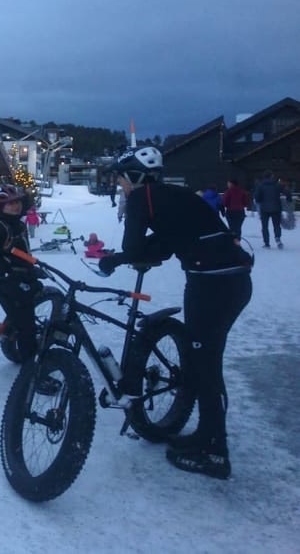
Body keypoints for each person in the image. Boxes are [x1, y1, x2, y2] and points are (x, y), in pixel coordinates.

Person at [97, 146, 252, 480]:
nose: (120, 185)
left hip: (211, 285)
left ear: (134, 177)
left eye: (121, 179)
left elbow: (135, 248)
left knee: (206, 365)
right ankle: (206, 434)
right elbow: (166, 245)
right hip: (234, 282)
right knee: (203, 360)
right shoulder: (176, 196)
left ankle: (215, 452)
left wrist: (116, 259)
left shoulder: (141, 198)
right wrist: (120, 259)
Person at [0, 184, 42, 361]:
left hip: (20, 273)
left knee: (28, 302)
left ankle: (10, 329)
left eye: (17, 202)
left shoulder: (16, 223)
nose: (16, 206)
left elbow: (20, 250)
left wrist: (32, 266)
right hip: (5, 279)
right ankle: (30, 366)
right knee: (26, 325)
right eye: (10, 203)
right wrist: (9, 275)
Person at [253, 170, 287, 249]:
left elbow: (257, 197)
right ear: (271, 176)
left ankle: (267, 243)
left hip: (264, 209)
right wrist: (289, 198)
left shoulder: (260, 185)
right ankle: (277, 238)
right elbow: (287, 192)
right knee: (276, 225)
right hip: (276, 208)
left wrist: (260, 201)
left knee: (264, 226)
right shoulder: (277, 185)